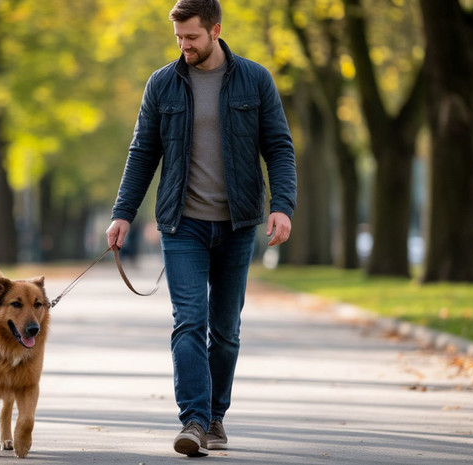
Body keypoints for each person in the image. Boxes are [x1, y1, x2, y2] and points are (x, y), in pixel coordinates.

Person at [105, 0, 296, 457]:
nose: (184, 46)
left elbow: (279, 148)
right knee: (188, 321)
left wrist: (282, 206)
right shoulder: (162, 84)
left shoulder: (256, 79)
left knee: (226, 331)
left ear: (215, 30)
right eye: (178, 39)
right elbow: (142, 153)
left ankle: (215, 416)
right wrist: (122, 212)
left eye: (191, 37)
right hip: (182, 225)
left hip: (237, 223)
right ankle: (192, 420)